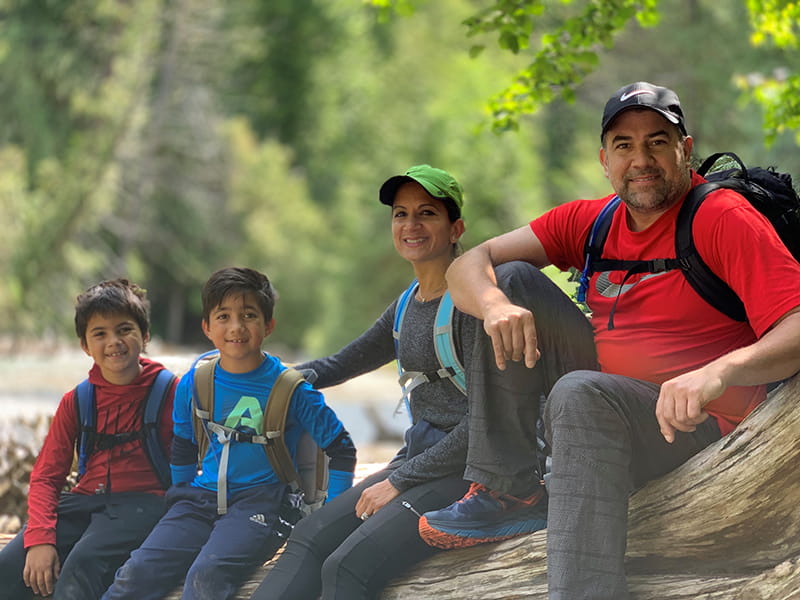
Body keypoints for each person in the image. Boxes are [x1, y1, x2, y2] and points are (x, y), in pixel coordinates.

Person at [418, 82, 800, 599]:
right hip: (602, 406)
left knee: (579, 393)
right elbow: (467, 263)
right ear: (604, 159)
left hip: (700, 423)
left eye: (657, 142)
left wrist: (720, 372)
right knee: (508, 280)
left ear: (685, 149)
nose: (641, 159)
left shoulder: (721, 218)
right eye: (624, 145)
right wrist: (495, 308)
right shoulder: (591, 221)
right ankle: (509, 491)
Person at [251, 165, 597, 600]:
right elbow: (343, 362)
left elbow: (488, 426)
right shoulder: (406, 305)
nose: (410, 226)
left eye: (426, 214)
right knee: (307, 538)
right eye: (400, 214)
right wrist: (269, 379)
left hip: (471, 469)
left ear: (456, 229)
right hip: (420, 458)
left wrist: (398, 481)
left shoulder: (479, 305)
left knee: (346, 568)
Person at [101, 267, 357, 600]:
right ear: (207, 326)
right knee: (135, 572)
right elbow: (183, 445)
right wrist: (178, 495)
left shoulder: (291, 389)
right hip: (199, 499)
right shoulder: (194, 380)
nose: (236, 327)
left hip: (263, 503)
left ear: (268, 325)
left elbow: (341, 449)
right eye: (223, 316)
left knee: (206, 576)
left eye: (249, 315)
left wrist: (329, 520)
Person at [0, 279, 178, 600]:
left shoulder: (171, 391)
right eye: (100, 334)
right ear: (85, 346)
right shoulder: (77, 400)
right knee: (10, 567)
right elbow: (46, 476)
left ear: (145, 335)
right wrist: (40, 538)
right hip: (83, 501)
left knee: (79, 568)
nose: (114, 342)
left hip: (144, 503)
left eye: (125, 329)